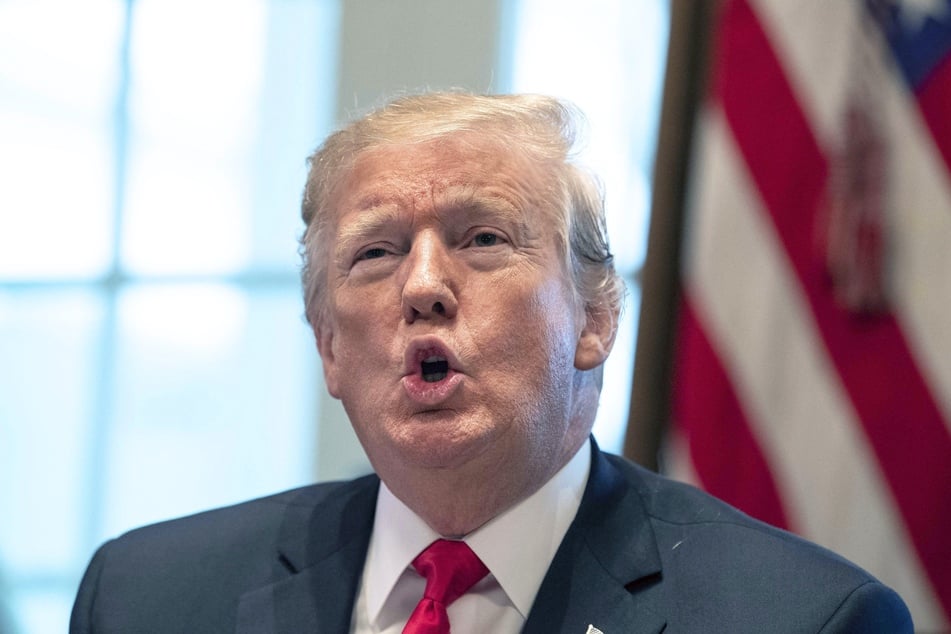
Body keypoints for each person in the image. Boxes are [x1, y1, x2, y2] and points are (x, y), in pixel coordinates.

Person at [70, 92, 912, 633]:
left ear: (595, 317)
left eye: (482, 239)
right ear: (328, 344)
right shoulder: (147, 600)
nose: (424, 286)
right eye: (375, 254)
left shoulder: (803, 621)